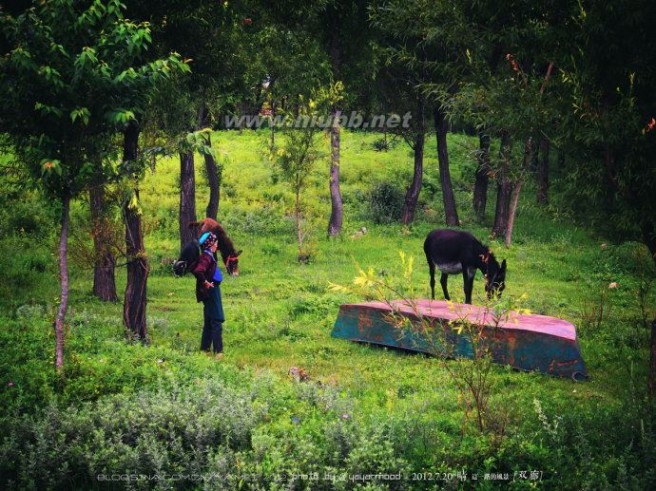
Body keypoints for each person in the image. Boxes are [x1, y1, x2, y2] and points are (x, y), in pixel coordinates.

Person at [191, 231, 225, 359]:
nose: (217, 244)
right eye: (215, 242)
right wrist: (205, 282)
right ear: (211, 244)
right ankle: (218, 352)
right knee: (217, 319)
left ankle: (204, 349)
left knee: (209, 320)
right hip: (211, 292)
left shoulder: (209, 255)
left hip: (211, 291)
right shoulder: (206, 257)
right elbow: (199, 271)